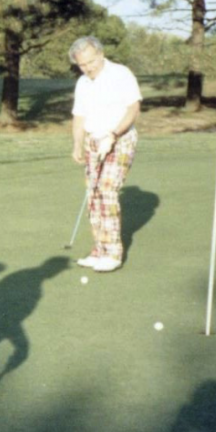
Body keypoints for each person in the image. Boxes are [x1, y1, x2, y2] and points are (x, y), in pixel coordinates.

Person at [69, 36, 142, 273]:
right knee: (93, 195)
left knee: (107, 189)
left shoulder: (121, 74)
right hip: (93, 140)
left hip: (120, 139)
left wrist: (113, 134)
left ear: (100, 54)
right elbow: (79, 116)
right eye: (82, 65)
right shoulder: (82, 83)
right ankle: (99, 249)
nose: (88, 68)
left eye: (91, 62)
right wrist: (77, 144)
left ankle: (113, 253)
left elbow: (134, 109)